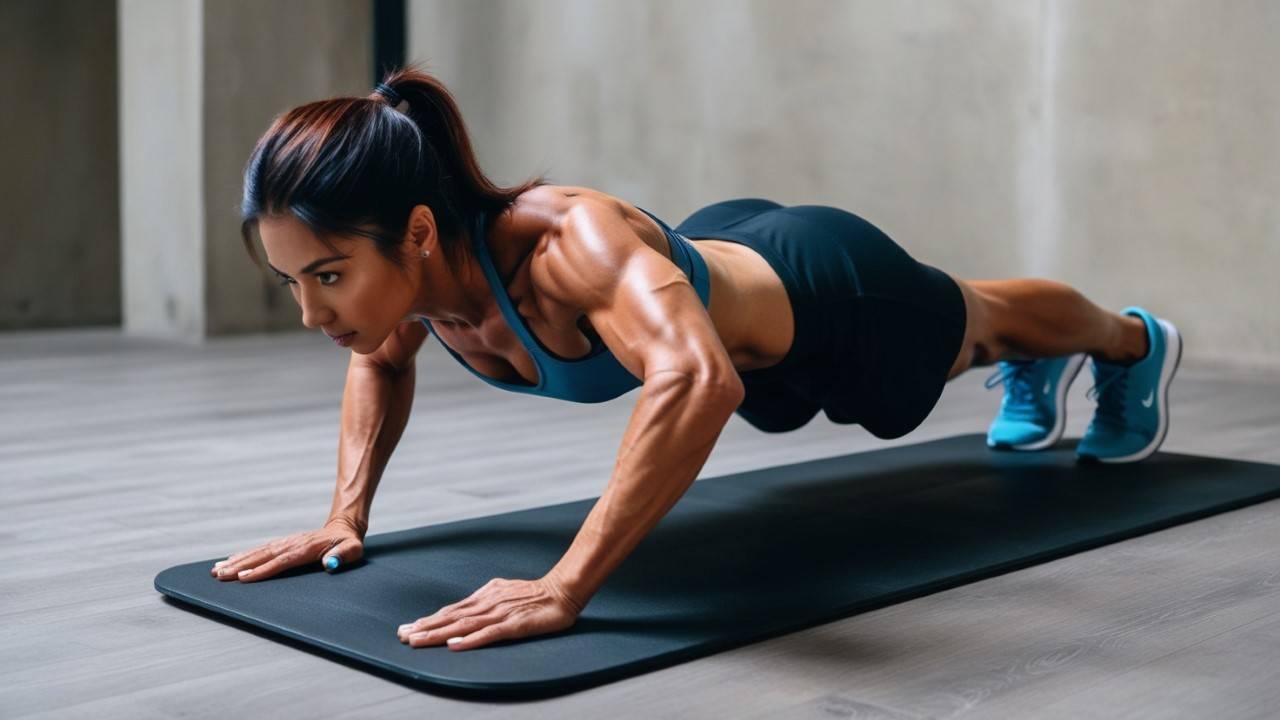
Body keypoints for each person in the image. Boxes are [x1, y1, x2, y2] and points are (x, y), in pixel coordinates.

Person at [211, 65, 1182, 651]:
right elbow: (380, 362)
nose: (311, 312)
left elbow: (695, 378)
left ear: (415, 230)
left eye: (327, 276)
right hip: (718, 283)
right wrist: (342, 516)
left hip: (822, 289)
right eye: (291, 283)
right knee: (792, 386)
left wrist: (563, 586)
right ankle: (1056, 359)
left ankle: (1128, 342)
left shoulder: (562, 246)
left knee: (972, 324)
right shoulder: (413, 286)